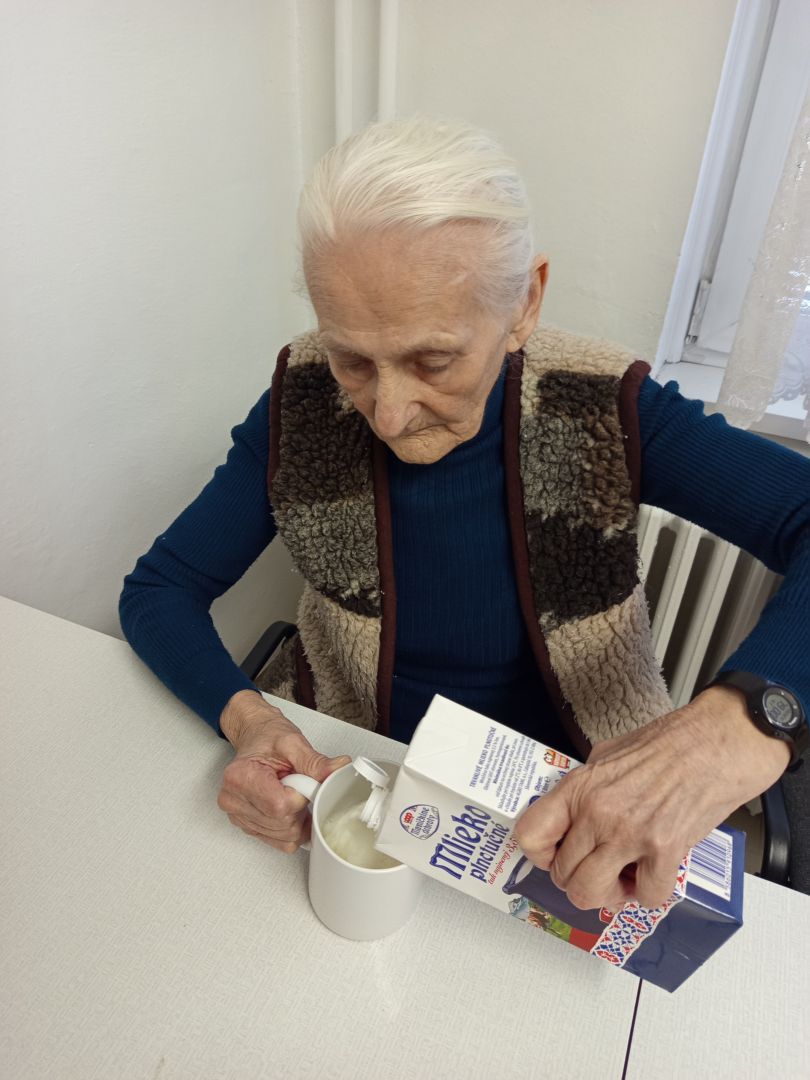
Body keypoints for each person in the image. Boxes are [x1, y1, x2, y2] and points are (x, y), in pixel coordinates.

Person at [120, 116, 810, 913]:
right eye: (351, 358)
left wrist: (741, 722)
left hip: (569, 795)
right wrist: (250, 723)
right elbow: (159, 590)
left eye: (433, 359)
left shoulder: (602, 407)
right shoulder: (300, 407)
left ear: (525, 303)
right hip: (359, 771)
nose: (387, 413)